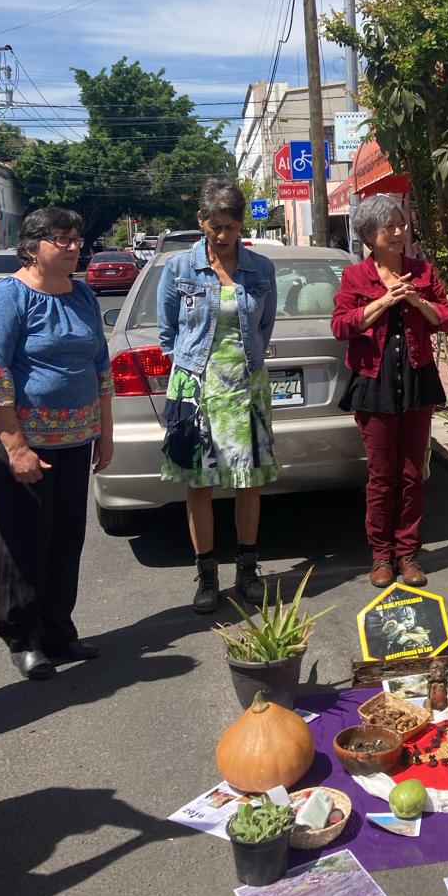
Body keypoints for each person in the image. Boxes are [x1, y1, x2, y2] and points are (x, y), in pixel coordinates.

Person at [0, 208, 112, 680]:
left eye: (76, 238)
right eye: (62, 239)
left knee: (66, 537)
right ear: (32, 247)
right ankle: (24, 638)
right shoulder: (9, 296)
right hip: (24, 443)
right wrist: (15, 447)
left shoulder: (82, 294)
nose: (73, 246)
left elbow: (100, 366)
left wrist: (105, 433)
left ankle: (60, 628)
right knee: (23, 541)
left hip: (77, 440)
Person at [157, 179, 279, 615]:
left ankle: (248, 569)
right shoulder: (178, 268)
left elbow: (264, 326)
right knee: (200, 484)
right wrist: (190, 374)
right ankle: (206, 574)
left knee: (249, 482)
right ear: (201, 221)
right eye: (215, 227)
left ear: (241, 224)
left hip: (246, 384)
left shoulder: (261, 269)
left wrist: (246, 363)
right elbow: (168, 333)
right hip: (196, 388)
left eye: (231, 227)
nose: (223, 236)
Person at [331, 195, 448, 588]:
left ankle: (409, 553)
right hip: (374, 381)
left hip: (417, 378)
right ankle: (381, 555)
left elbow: (446, 318)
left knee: (413, 473)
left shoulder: (421, 271)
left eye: (402, 224)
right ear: (370, 235)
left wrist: (416, 300)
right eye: (390, 227)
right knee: (382, 476)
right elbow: (340, 326)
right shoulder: (355, 277)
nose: (400, 232)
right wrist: (385, 301)